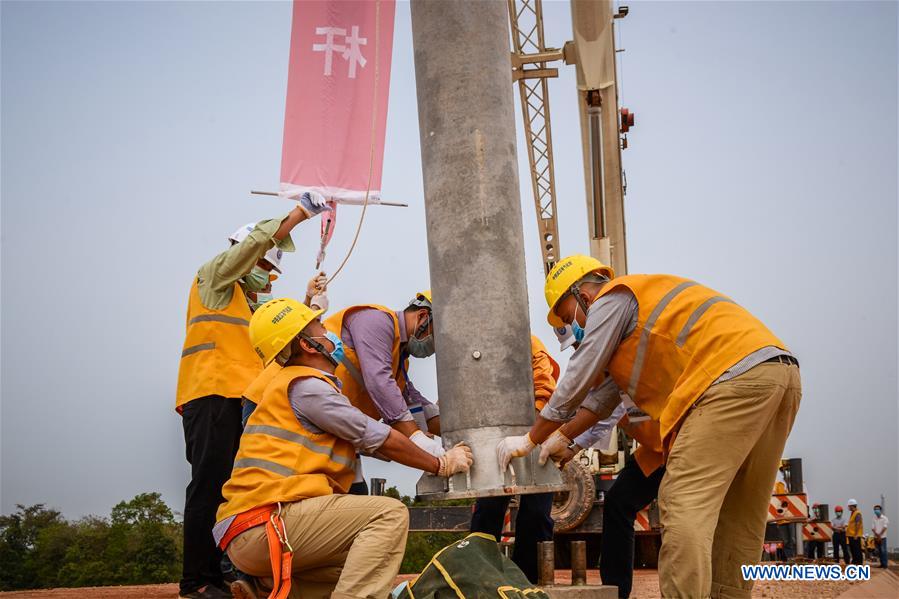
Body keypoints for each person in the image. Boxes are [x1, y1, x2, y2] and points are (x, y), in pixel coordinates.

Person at [499, 254, 802, 599]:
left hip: (730, 379)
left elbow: (577, 380)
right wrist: (565, 438)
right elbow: (603, 400)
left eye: (570, 316)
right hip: (777, 374)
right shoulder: (634, 320)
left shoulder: (612, 298)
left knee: (683, 501)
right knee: (740, 513)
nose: (577, 325)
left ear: (581, 293)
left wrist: (530, 438)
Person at [216, 298, 473, 599]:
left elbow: (383, 440)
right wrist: (439, 464)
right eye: (321, 328)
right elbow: (381, 437)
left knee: (355, 566)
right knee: (388, 515)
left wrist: (423, 443)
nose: (330, 332)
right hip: (266, 523)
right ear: (309, 346)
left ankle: (266, 589)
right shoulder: (308, 387)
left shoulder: (314, 387)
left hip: (261, 530)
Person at [175, 196, 329, 599]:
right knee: (208, 487)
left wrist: (310, 301)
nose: (267, 275)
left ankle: (221, 575)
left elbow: (278, 325)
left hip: (236, 401)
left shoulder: (244, 301)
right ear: (243, 257)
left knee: (231, 488)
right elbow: (252, 247)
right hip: (209, 394)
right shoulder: (213, 280)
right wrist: (298, 215)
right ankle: (196, 583)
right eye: (263, 265)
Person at [469, 335, 560, 583]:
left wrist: (527, 439)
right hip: (495, 440)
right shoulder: (474, 349)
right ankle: (479, 580)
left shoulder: (527, 343)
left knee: (536, 512)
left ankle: (527, 582)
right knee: (488, 509)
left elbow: (545, 392)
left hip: (535, 435)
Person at [846, 499, 864, 565]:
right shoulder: (853, 513)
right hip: (851, 535)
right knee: (853, 550)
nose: (848, 507)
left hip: (855, 535)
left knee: (857, 550)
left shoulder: (857, 513)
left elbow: (858, 524)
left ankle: (859, 562)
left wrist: (856, 534)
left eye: (849, 506)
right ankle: (855, 561)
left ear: (852, 506)